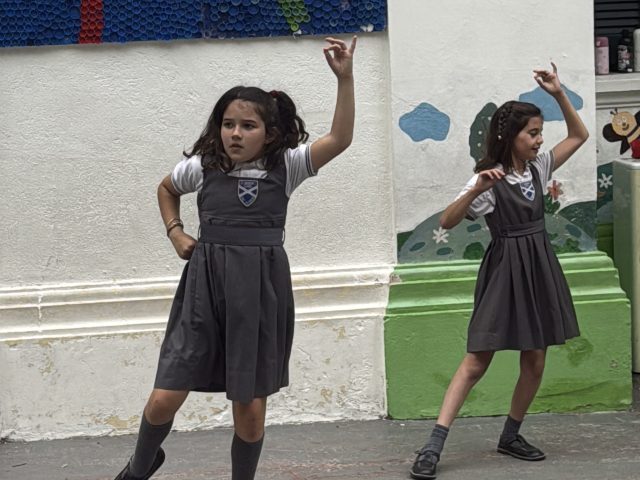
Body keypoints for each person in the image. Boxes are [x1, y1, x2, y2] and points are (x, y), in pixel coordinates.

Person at [114, 35, 357, 480]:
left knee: (249, 409)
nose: (235, 134)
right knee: (165, 396)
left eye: (247, 125)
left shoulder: (288, 167)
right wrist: (176, 232)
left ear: (270, 133)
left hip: (259, 297)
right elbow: (166, 188)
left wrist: (345, 78)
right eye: (228, 124)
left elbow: (340, 138)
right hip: (204, 292)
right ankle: (139, 468)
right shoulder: (204, 167)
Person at [410, 63, 589, 480]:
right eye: (533, 133)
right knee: (477, 359)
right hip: (505, 270)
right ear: (511, 137)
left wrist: (559, 94)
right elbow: (448, 221)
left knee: (536, 359)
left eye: (540, 132)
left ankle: (511, 435)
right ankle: (433, 445)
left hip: (539, 266)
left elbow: (579, 135)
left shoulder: (538, 168)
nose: (539, 140)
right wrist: (477, 187)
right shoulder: (487, 179)